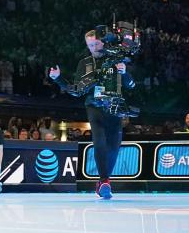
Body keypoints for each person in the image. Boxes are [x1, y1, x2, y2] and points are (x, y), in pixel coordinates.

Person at [49, 28, 134, 200]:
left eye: (95, 43)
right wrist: (58, 78)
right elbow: (76, 91)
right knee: (99, 142)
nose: (93, 47)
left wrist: (125, 73)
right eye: (89, 45)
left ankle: (104, 180)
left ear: (103, 41)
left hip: (114, 108)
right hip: (94, 107)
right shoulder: (84, 63)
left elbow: (131, 85)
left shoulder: (115, 59)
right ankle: (104, 181)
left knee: (114, 147)